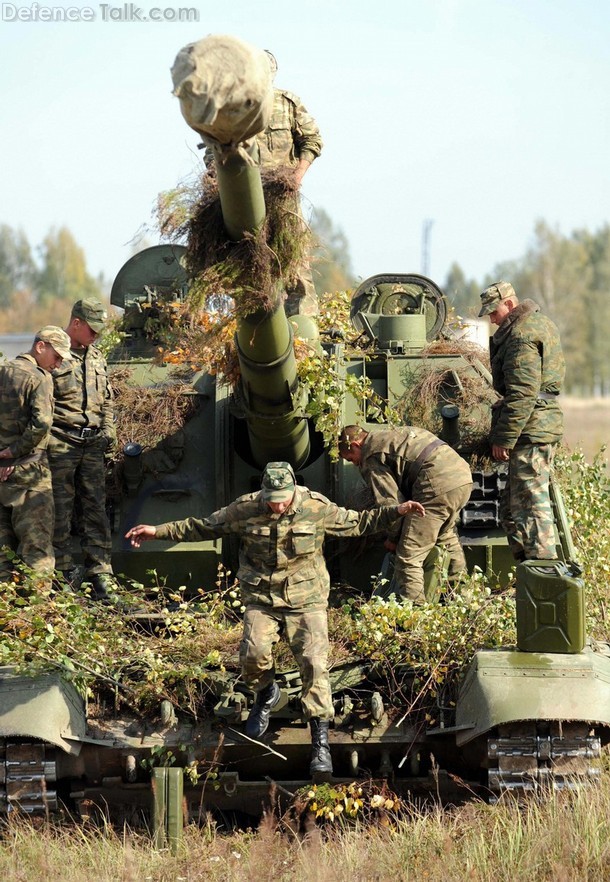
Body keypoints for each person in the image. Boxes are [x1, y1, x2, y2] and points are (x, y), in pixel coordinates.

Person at [125, 461, 423, 777]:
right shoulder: (246, 508)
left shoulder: (315, 507)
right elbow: (203, 526)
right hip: (261, 598)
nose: (277, 505)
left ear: (293, 489)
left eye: (282, 498)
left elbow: (360, 522)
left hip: (306, 598)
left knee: (313, 662)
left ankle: (319, 742)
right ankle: (267, 692)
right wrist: (157, 531)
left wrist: (397, 511)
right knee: (252, 656)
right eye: (271, 498)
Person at [204, 49, 323, 317]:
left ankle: (302, 328)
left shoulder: (287, 104)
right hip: (243, 201)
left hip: (282, 196)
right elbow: (212, 153)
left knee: (295, 263)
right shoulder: (230, 111)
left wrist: (297, 176)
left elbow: (312, 140)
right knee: (247, 263)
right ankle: (253, 323)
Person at [478, 280, 565, 561]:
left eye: (494, 312)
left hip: (531, 430)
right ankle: (529, 569)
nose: (491, 319)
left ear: (510, 304)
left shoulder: (520, 334)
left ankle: (544, 572)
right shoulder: (540, 324)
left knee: (530, 505)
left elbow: (522, 393)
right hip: (536, 427)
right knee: (512, 509)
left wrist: (504, 438)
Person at [338, 426, 473, 604]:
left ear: (356, 445)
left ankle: (415, 618)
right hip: (461, 477)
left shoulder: (370, 455)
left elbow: (390, 503)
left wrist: (393, 539)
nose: (355, 463)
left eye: (351, 458)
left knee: (408, 557)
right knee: (446, 538)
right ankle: (464, 601)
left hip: (434, 485)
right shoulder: (390, 433)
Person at [47, 298, 118, 601]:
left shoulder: (97, 357)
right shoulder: (53, 355)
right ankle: (62, 574)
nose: (96, 336)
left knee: (95, 510)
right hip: (60, 442)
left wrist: (109, 432)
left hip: (92, 444)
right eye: (92, 329)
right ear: (76, 323)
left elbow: (108, 400)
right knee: (59, 510)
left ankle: (100, 573)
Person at [0, 326, 72, 583]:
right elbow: (42, 424)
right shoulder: (39, 377)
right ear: (40, 347)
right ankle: (36, 618)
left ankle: (7, 617)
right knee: (37, 550)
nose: (59, 362)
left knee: (3, 554)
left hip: (3, 472)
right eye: (57, 355)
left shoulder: (3, 370)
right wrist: (15, 452)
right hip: (30, 475)